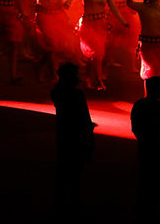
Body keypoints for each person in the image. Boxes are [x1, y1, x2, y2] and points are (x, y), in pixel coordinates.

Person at [73, 0, 128, 90]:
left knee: (98, 54)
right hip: (88, 25)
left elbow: (113, 8)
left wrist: (123, 21)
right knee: (96, 53)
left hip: (101, 25)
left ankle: (90, 78)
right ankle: (96, 80)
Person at [51, 62, 95, 211]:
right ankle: (74, 202)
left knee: (63, 168)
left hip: (63, 135)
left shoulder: (57, 92)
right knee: (75, 171)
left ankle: (61, 201)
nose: (79, 78)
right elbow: (85, 117)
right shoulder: (77, 95)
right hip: (76, 136)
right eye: (76, 75)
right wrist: (90, 139)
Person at [130, 75, 160, 218]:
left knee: (145, 175)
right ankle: (153, 209)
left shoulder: (138, 105)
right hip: (159, 145)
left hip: (144, 144)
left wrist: (143, 138)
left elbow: (135, 127)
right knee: (157, 179)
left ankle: (142, 208)